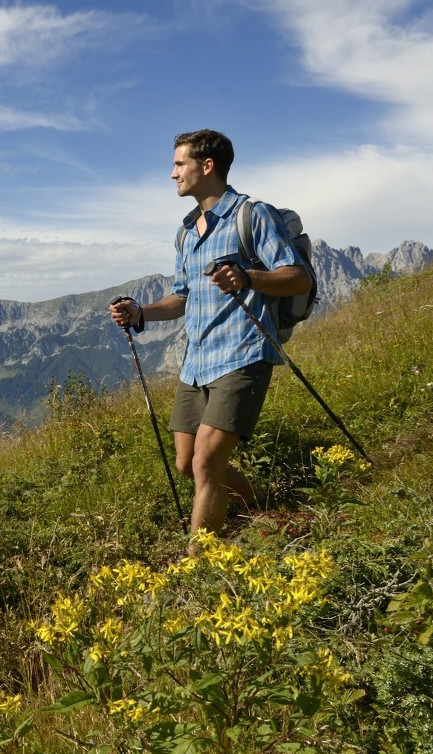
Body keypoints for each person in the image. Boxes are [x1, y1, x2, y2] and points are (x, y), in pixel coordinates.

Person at [110, 129, 312, 549]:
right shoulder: (186, 231)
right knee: (186, 463)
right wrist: (140, 312)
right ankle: (263, 506)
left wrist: (248, 276)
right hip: (197, 361)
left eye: (179, 164)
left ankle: (199, 566)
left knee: (206, 462)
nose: (172, 174)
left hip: (244, 354)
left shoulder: (253, 215)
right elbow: (183, 296)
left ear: (207, 166)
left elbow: (298, 277)